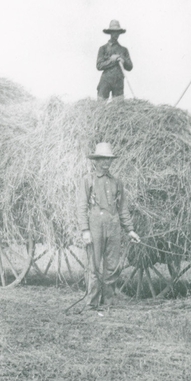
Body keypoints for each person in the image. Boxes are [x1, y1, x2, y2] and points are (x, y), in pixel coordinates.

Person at [76, 142, 140, 308]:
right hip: (95, 225)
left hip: (114, 226)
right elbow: (82, 207)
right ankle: (92, 303)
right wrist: (85, 230)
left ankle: (108, 301)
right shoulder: (87, 180)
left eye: (108, 160)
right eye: (102, 159)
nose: (106, 163)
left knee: (112, 267)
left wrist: (130, 230)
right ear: (95, 161)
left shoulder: (117, 182)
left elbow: (122, 208)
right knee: (95, 267)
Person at [96, 20, 133, 101]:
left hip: (118, 82)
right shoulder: (103, 48)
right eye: (113, 32)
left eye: (117, 32)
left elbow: (130, 67)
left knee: (118, 108)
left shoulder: (124, 50)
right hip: (105, 80)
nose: (115, 34)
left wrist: (123, 60)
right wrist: (112, 60)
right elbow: (99, 66)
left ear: (120, 33)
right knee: (100, 106)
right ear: (110, 33)